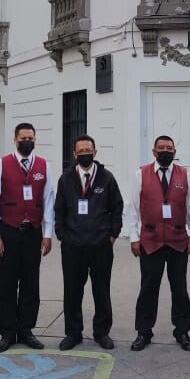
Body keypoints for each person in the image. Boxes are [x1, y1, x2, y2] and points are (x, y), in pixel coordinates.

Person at [128, 135, 190, 352]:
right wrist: (134, 238)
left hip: (178, 241)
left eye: (169, 148)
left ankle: (182, 331)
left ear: (174, 152)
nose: (165, 151)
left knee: (180, 289)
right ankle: (144, 332)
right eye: (161, 148)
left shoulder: (185, 174)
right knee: (148, 288)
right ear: (154, 151)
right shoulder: (141, 174)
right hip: (151, 241)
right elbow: (133, 209)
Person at [54, 135, 123, 350]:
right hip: (73, 246)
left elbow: (117, 207)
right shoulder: (66, 179)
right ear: (74, 154)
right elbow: (59, 209)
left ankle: (102, 332)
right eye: (81, 151)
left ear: (95, 152)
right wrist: (62, 235)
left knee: (101, 290)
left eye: (88, 150)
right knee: (72, 291)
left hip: (101, 246)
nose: (85, 153)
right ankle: (73, 333)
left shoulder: (106, 178)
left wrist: (113, 234)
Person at [0, 122, 54, 352]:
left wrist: (48, 234)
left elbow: (48, 201)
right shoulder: (1, 164)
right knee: (7, 284)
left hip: (33, 232)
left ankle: (26, 330)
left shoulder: (44, 165)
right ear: (15, 140)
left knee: (30, 283)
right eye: (23, 138)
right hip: (8, 230)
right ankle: (7, 332)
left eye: (31, 138)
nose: (27, 141)